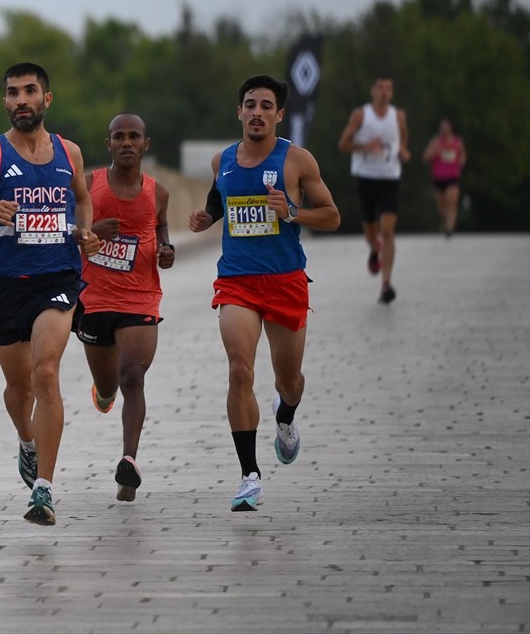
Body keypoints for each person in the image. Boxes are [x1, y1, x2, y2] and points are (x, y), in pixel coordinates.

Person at [0, 62, 99, 526]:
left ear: (47, 99)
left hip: (57, 278)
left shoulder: (69, 152)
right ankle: (26, 440)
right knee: (19, 388)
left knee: (46, 371)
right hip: (4, 284)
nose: (20, 101)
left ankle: (44, 490)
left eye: (29, 91)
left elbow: (83, 197)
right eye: (12, 93)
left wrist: (85, 231)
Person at [189, 74, 339, 512]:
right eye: (250, 104)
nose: (257, 112)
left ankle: (286, 416)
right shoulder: (223, 161)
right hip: (236, 280)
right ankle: (249, 476)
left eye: (266, 105)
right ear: (239, 112)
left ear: (278, 114)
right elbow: (219, 202)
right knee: (240, 371)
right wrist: (205, 219)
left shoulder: (297, 161)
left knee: (288, 381)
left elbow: (331, 216)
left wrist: (291, 212)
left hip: (285, 280)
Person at [76, 113, 174, 503]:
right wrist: (89, 233)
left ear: (146, 145)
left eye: (135, 136)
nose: (128, 142)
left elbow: (161, 225)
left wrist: (166, 249)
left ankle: (128, 461)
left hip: (140, 297)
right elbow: (66, 227)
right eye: (120, 137)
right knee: (109, 384)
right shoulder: (89, 186)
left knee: (133, 375)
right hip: (95, 297)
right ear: (109, 144)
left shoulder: (158, 192)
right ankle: (103, 392)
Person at [337, 76, 409, 304]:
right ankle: (373, 249)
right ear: (372, 91)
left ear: (392, 93)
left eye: (388, 88)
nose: (384, 92)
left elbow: (403, 135)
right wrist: (364, 146)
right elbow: (343, 144)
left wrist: (403, 149)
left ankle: (386, 283)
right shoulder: (361, 115)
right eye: (380, 88)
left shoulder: (398, 116)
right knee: (370, 229)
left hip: (390, 177)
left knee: (387, 230)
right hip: (366, 178)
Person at [422, 117, 466, 237]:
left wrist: (461, 161)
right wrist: (435, 152)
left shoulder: (457, 142)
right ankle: (444, 218)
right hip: (439, 176)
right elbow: (425, 157)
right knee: (441, 204)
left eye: (447, 127)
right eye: (443, 127)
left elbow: (462, 155)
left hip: (453, 176)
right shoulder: (435, 142)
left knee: (452, 202)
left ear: (451, 128)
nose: (444, 129)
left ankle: (449, 228)